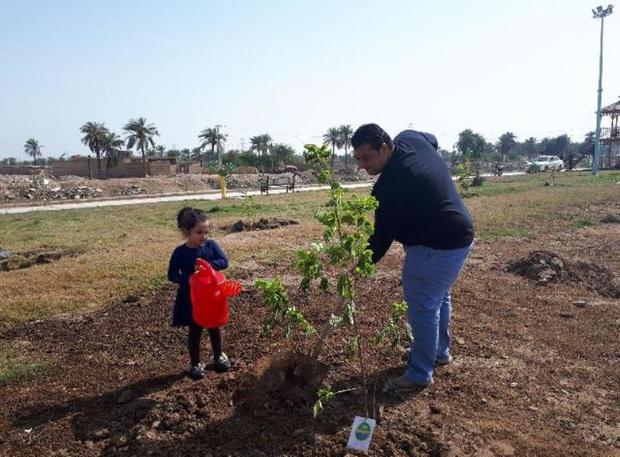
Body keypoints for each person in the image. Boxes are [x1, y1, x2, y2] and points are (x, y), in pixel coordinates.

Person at [352, 124, 474, 394]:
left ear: (385, 148)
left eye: (367, 158)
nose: (362, 165)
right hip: (461, 233)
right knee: (438, 298)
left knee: (422, 307)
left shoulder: (388, 188)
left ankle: (419, 373)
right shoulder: (409, 139)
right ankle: (439, 352)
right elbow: (432, 140)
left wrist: (360, 266)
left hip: (435, 246)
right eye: (358, 159)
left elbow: (381, 239)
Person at [167, 206, 231, 380]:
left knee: (214, 326)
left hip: (211, 296)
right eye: (199, 232)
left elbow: (224, 261)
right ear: (186, 231)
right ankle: (194, 363)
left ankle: (218, 356)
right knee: (195, 329)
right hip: (191, 298)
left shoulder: (211, 246)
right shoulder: (180, 253)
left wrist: (208, 267)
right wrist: (189, 278)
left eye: (206, 232)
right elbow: (172, 274)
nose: (204, 236)